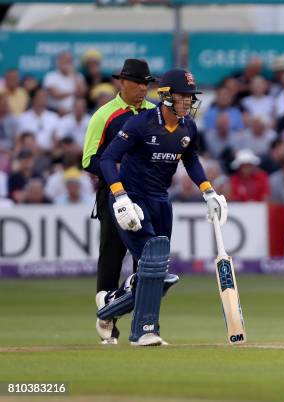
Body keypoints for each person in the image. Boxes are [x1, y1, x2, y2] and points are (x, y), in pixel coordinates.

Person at [98, 68, 228, 346]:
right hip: (132, 199)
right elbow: (108, 160)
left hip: (160, 201)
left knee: (156, 272)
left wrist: (208, 191)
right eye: (183, 97)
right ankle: (144, 331)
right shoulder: (140, 123)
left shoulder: (187, 127)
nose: (188, 103)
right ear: (166, 96)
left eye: (191, 98)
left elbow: (190, 159)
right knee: (153, 265)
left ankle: (110, 306)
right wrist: (120, 197)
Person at [82, 59, 157, 344]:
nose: (142, 88)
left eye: (146, 83)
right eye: (137, 83)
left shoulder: (155, 113)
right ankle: (108, 326)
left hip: (147, 194)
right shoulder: (105, 115)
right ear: (121, 82)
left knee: (147, 262)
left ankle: (146, 327)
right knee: (112, 259)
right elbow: (90, 159)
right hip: (113, 195)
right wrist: (120, 174)